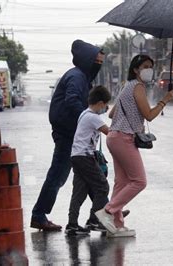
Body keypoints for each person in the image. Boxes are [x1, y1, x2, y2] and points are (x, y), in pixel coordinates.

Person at [95, 55, 173, 237]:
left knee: (122, 183)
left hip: (114, 137)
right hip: (124, 139)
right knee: (139, 181)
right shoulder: (138, 87)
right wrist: (165, 100)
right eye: (145, 66)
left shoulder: (127, 86)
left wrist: (128, 115)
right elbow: (149, 115)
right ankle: (107, 212)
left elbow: (111, 114)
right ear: (135, 70)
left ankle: (116, 225)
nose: (149, 70)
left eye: (151, 66)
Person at [30, 40, 105, 231]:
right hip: (68, 135)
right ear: (88, 60)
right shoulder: (76, 77)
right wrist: (87, 119)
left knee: (86, 176)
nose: (100, 63)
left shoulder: (82, 78)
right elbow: (72, 101)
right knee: (59, 175)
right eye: (97, 60)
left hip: (73, 134)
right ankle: (39, 214)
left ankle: (104, 213)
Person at [65, 85, 111, 236]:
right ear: (99, 103)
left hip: (76, 156)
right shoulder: (93, 117)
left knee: (80, 191)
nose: (105, 108)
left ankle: (72, 224)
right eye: (105, 105)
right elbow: (109, 132)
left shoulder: (84, 114)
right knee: (102, 186)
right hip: (85, 156)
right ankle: (93, 220)